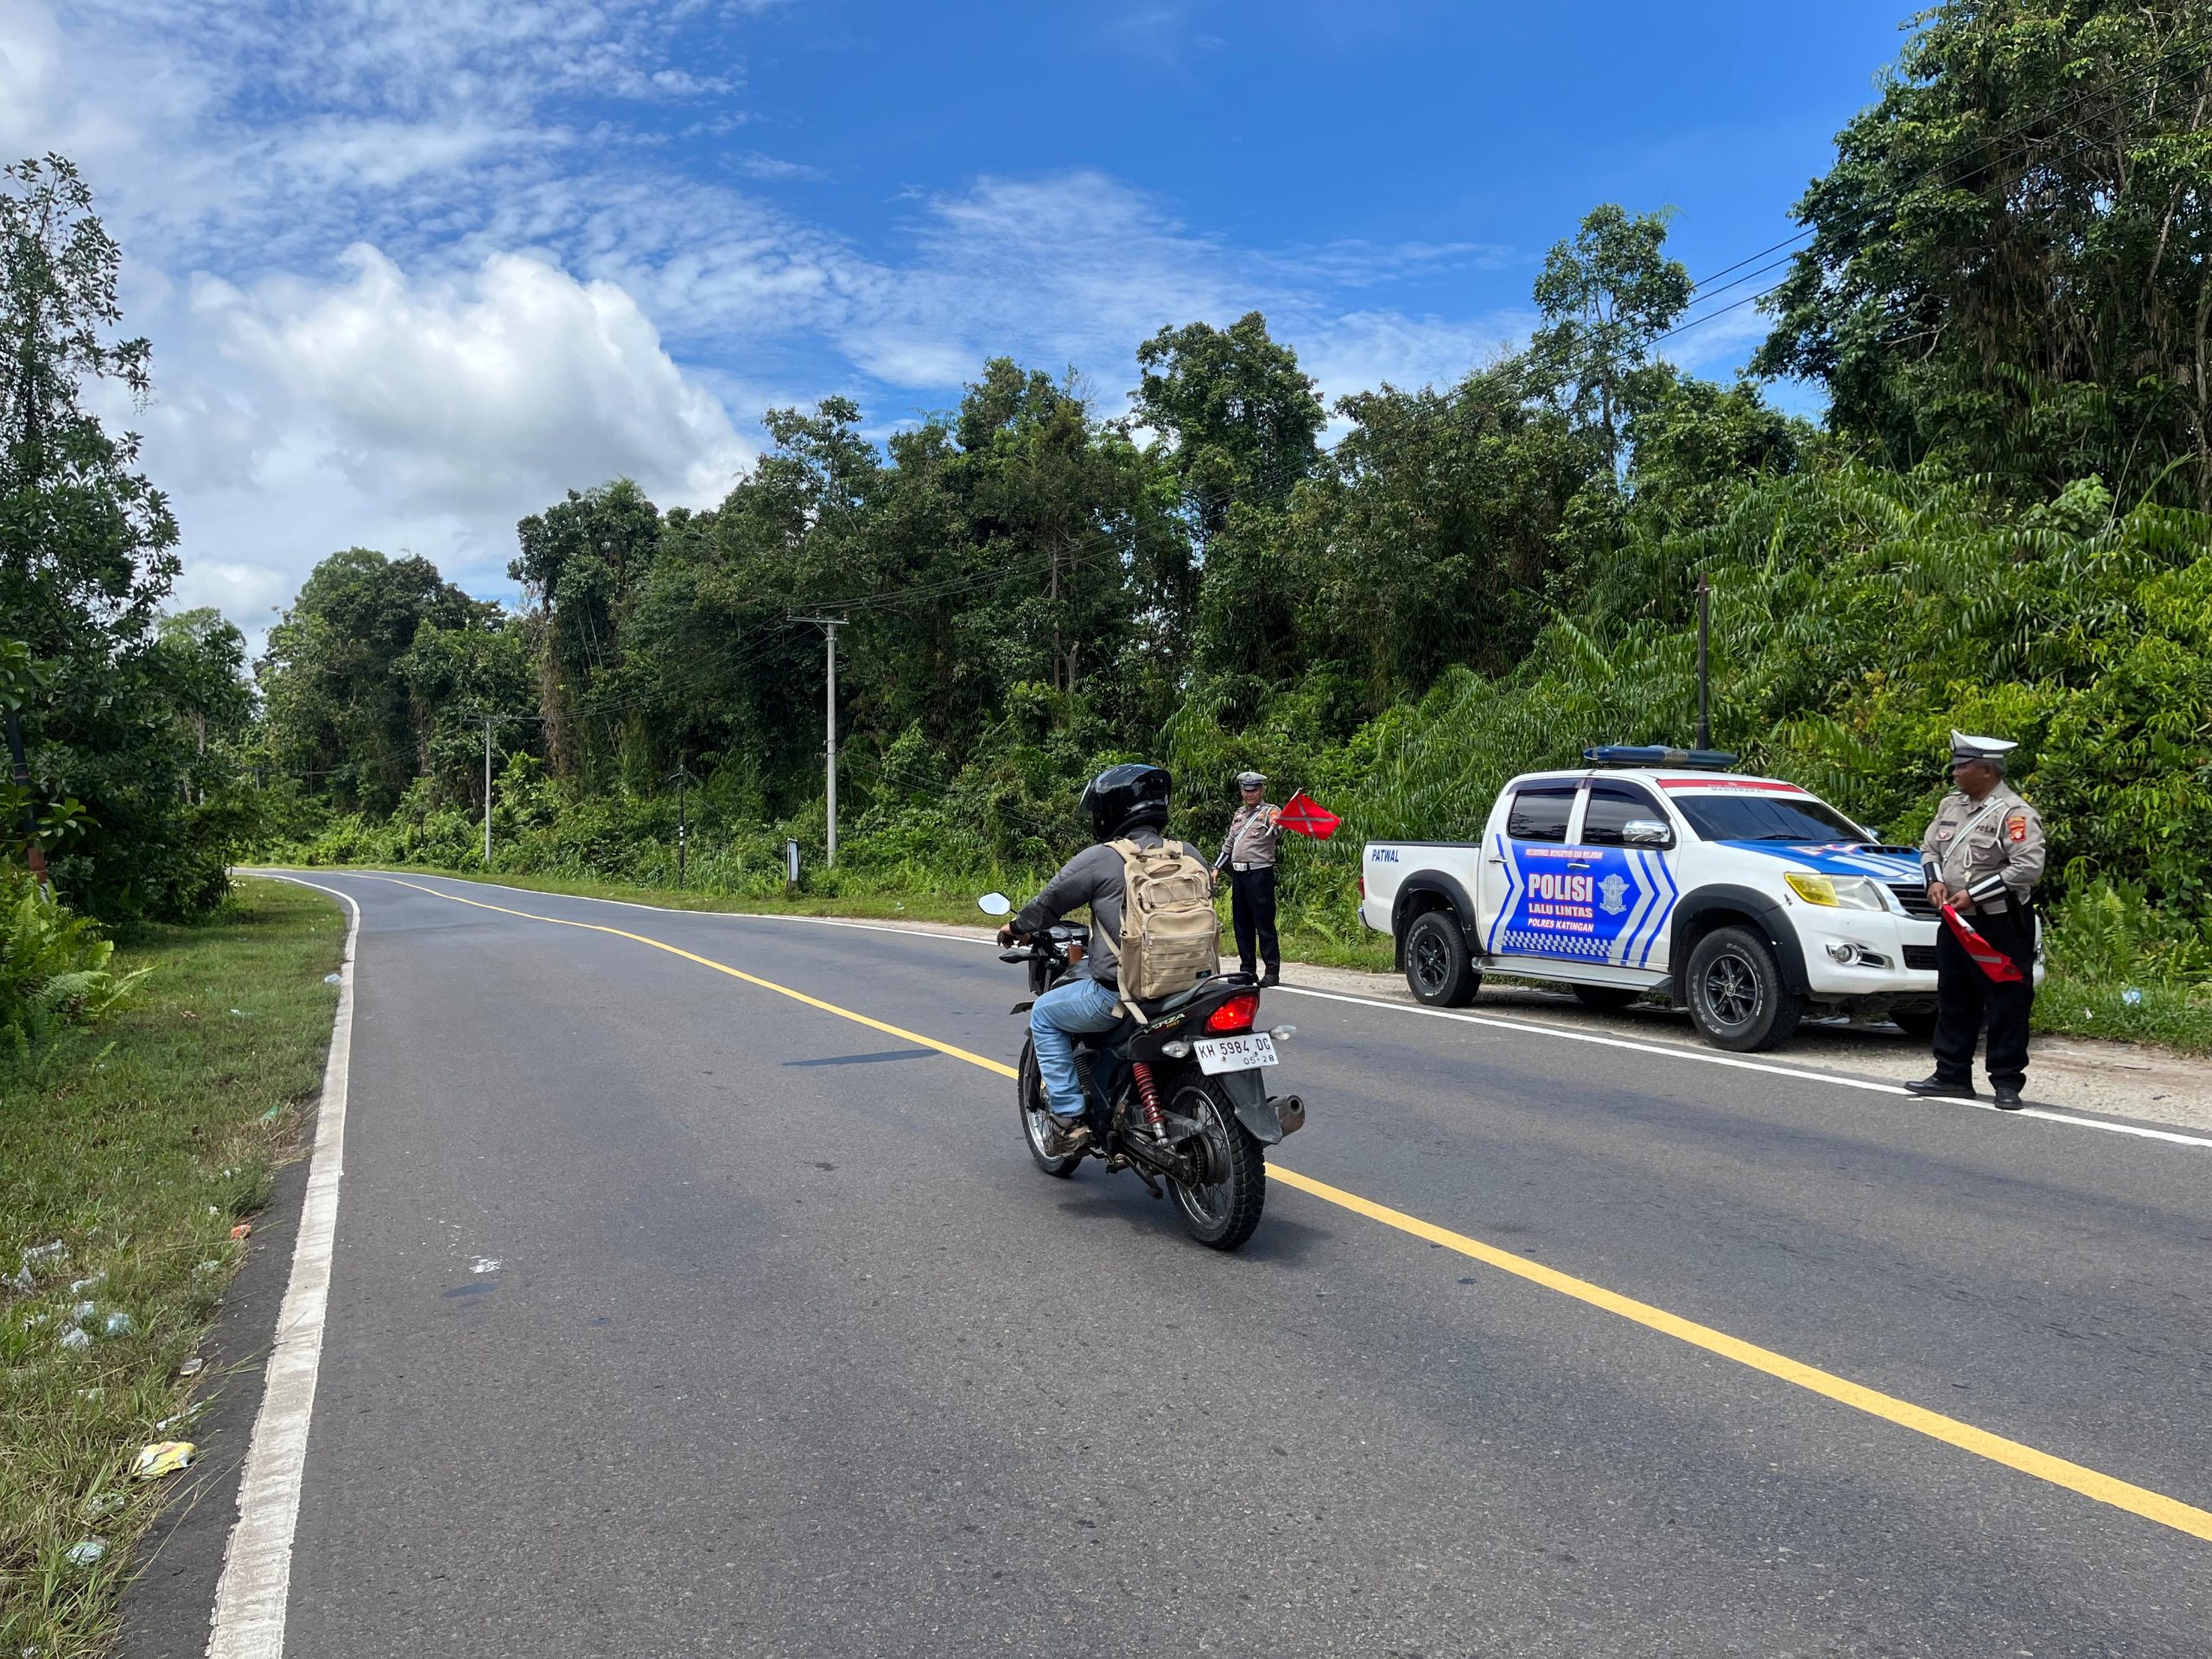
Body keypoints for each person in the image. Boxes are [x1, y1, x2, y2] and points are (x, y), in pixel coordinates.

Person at [999, 763, 1208, 1155]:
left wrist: (1017, 927)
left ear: (1112, 810)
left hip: (1122, 994)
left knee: (1043, 1014)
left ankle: (1067, 1119)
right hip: (1192, 988)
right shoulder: (1189, 854)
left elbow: (1049, 902)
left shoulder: (1102, 858)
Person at [1906, 731, 2048, 1109]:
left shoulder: (2014, 813)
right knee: (1954, 998)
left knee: (2007, 1004)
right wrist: (1935, 881)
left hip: (2000, 924)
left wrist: (1974, 894)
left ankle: (2006, 1081)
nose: (1954, 773)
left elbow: (2027, 868)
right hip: (1955, 923)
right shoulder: (1950, 806)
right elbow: (1930, 848)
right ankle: (1951, 1075)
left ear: (1986, 770)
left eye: (1962, 766)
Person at [1213, 771, 1282, 986]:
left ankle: (1272, 971)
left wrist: (1276, 824)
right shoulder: (1239, 815)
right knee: (1242, 924)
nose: (1250, 794)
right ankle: (1247, 970)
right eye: (1246, 790)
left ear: (1261, 790)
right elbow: (1229, 843)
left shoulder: (1270, 812)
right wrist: (1216, 868)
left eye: (1254, 790)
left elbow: (1278, 830)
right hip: (1239, 874)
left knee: (1264, 923)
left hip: (1259, 874)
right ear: (1242, 791)